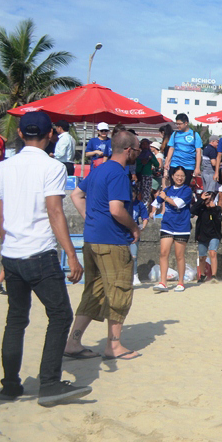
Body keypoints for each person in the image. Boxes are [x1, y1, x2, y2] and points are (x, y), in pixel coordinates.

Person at [0, 111, 89, 405]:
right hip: (39, 253)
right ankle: (49, 383)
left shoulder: (4, 167)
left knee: (16, 319)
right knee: (61, 315)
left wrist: (9, 239)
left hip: (11, 253)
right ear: (51, 135)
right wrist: (72, 256)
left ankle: (11, 385)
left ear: (21, 134)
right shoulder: (52, 167)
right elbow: (54, 212)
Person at [64, 129, 142, 361]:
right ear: (128, 150)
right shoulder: (118, 173)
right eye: (137, 149)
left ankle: (73, 342)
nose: (138, 153)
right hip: (112, 241)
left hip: (92, 239)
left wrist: (91, 218)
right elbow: (117, 209)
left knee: (94, 291)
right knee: (119, 289)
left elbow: (76, 195)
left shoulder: (99, 170)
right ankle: (114, 345)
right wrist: (134, 227)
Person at [153, 167, 193, 293]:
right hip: (167, 225)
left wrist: (164, 198)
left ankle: (180, 282)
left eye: (182, 176)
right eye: (177, 175)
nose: (179, 178)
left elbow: (178, 203)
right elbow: (155, 202)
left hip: (182, 227)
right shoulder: (167, 189)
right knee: (163, 253)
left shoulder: (187, 191)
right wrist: (153, 210)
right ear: (172, 176)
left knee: (179, 255)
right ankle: (163, 282)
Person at [192, 190, 222, 282]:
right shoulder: (201, 209)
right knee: (202, 257)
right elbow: (192, 210)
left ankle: (214, 275)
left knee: (213, 253)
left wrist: (213, 209)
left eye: (210, 199)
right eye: (206, 199)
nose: (208, 201)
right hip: (202, 235)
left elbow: (218, 221)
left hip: (214, 234)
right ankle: (202, 275)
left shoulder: (217, 209)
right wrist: (201, 200)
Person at [164, 113, 202, 187]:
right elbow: (171, 148)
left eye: (179, 124)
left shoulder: (195, 135)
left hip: (188, 165)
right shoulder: (175, 134)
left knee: (185, 187)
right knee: (173, 186)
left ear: (186, 123)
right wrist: (167, 162)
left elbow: (198, 152)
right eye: (176, 124)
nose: (178, 126)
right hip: (175, 164)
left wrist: (197, 168)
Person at [129, 185, 149, 286]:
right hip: (123, 232)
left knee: (134, 256)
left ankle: (134, 275)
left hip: (134, 232)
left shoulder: (139, 204)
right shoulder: (123, 203)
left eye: (133, 196)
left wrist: (143, 227)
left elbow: (145, 217)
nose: (131, 198)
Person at [134, 139, 159, 216]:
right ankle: (137, 210)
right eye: (143, 144)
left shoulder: (150, 154)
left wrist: (151, 158)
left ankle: (144, 212)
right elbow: (135, 166)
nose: (145, 146)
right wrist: (142, 163)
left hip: (147, 176)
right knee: (137, 193)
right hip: (139, 176)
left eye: (146, 144)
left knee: (146, 193)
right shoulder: (138, 154)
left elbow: (157, 164)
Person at [201, 136, 221, 205]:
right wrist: (221, 163)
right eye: (217, 142)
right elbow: (214, 163)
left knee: (205, 191)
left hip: (204, 172)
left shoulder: (206, 148)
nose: (218, 144)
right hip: (210, 173)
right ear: (212, 142)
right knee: (209, 192)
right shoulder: (212, 150)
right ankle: (208, 206)